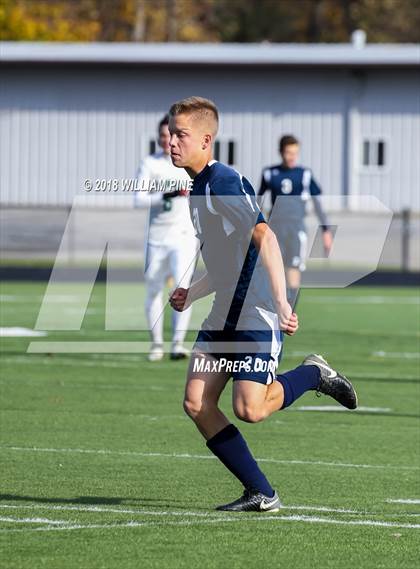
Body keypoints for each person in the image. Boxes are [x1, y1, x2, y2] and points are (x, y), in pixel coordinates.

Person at [168, 97, 357, 512]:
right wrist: (190, 294)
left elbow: (265, 238)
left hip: (255, 309)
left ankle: (312, 374)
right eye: (170, 133)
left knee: (250, 409)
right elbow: (225, 264)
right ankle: (262, 493)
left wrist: (280, 303)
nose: (171, 141)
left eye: (180, 134)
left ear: (205, 139)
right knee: (197, 403)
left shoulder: (221, 182)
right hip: (224, 309)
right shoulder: (198, 188)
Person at [134, 114, 198, 361]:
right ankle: (157, 344)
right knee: (153, 290)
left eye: (173, 135)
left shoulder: (190, 163)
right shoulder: (151, 164)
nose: (168, 140)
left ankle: (177, 344)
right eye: (163, 135)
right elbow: (138, 199)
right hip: (157, 238)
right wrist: (166, 195)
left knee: (183, 291)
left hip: (183, 238)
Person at [258, 135, 333, 306]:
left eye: (295, 153)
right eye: (288, 152)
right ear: (280, 152)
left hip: (296, 230)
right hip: (274, 231)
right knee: (272, 271)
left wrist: (326, 231)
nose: (292, 156)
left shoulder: (304, 174)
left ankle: (289, 314)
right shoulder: (269, 173)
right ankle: (274, 312)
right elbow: (258, 203)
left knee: (293, 270)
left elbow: (317, 203)